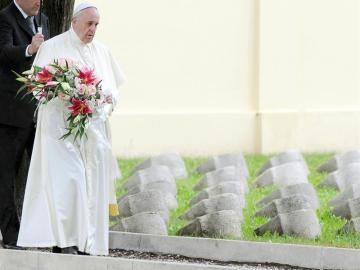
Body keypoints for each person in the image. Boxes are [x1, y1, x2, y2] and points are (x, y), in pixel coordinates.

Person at [16, 3, 125, 256]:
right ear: (74, 22)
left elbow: (113, 92)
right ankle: (65, 240)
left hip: (93, 133)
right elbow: (38, 87)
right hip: (59, 132)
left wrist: (104, 102)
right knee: (69, 182)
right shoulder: (53, 47)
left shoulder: (102, 51)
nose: (93, 29)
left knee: (92, 185)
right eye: (89, 23)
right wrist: (68, 95)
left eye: (97, 25)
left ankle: (90, 242)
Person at [0, 0, 49, 250]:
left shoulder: (44, 20)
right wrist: (29, 49)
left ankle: (39, 231)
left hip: (38, 112)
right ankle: (11, 236)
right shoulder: (5, 18)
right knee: (6, 176)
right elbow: (3, 53)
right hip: (9, 113)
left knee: (42, 172)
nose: (39, 1)